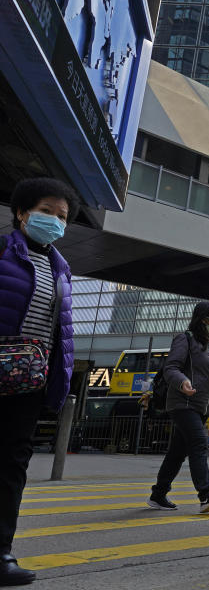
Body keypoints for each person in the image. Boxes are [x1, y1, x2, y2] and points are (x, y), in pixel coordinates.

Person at [0, 178, 78, 586]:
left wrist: (57, 382)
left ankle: (2, 554)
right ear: (22, 212)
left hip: (27, 383)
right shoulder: (2, 250)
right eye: (47, 211)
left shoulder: (60, 267)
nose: (55, 221)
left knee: (12, 467)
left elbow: (59, 333)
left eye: (62, 216)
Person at [147, 301, 209, 514]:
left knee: (177, 452)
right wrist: (182, 381)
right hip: (182, 402)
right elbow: (170, 367)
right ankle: (206, 495)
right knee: (199, 443)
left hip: (202, 405)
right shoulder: (185, 339)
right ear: (203, 318)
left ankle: (158, 494)